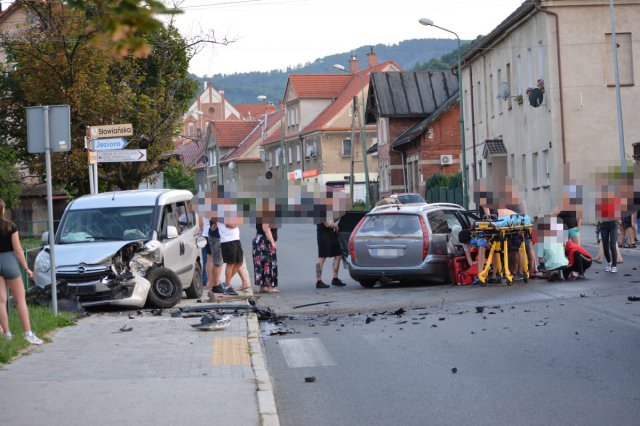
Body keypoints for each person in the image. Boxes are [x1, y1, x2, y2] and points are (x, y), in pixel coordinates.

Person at [0, 199, 42, 345]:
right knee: (20, 300)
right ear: (3, 210)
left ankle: (7, 334)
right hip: (9, 262)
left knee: (1, 301)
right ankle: (28, 334)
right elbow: (18, 249)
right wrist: (26, 268)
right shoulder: (10, 226)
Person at [536, 216, 569, 282]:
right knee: (558, 257)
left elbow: (540, 260)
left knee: (539, 267)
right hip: (564, 264)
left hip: (551, 265)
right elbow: (564, 249)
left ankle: (551, 273)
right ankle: (560, 274)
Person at [315, 219, 346, 289]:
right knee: (322, 258)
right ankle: (318, 281)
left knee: (338, 255)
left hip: (332, 234)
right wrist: (336, 226)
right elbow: (327, 224)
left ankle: (335, 279)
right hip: (323, 235)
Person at [253, 218, 279, 294]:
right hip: (265, 241)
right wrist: (272, 242)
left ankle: (262, 286)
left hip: (261, 240)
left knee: (262, 264)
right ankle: (269, 287)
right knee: (268, 263)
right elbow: (266, 228)